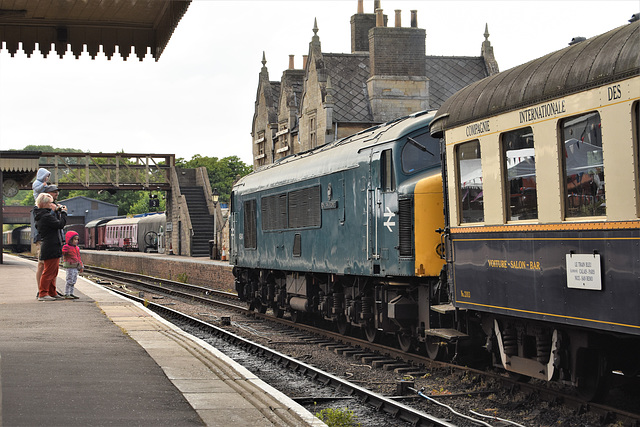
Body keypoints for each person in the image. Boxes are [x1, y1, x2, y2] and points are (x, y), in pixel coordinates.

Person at [34, 192, 67, 301]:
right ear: (44, 204)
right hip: (50, 245)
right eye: (50, 202)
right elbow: (60, 225)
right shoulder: (45, 216)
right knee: (48, 272)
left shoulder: (42, 215)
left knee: (54, 271)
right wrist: (64, 213)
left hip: (52, 245)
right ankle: (43, 293)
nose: (52, 204)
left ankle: (52, 292)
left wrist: (57, 212)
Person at [62, 231, 83, 299]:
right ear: (70, 240)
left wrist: (81, 266)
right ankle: (67, 293)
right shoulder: (66, 247)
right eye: (75, 239)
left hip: (75, 266)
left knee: (74, 280)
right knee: (69, 280)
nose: (76, 241)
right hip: (70, 266)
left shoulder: (77, 248)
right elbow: (63, 253)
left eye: (77, 239)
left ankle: (71, 293)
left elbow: (79, 257)